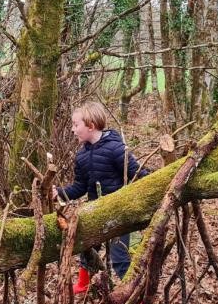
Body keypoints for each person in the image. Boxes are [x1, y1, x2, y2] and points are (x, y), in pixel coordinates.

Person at [54, 101, 151, 289]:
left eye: (76, 125)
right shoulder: (81, 156)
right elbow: (79, 187)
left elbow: (137, 173)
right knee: (87, 249)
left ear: (90, 126)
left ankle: (133, 294)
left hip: (119, 212)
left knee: (119, 258)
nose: (73, 130)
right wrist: (58, 192)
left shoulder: (115, 149)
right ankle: (83, 283)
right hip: (95, 211)